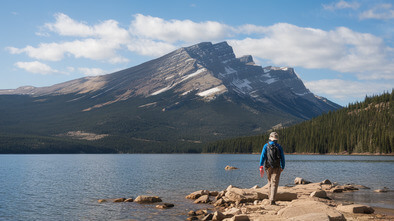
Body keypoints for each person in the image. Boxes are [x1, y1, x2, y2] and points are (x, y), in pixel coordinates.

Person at [259, 132, 285, 205]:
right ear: (276, 139)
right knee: (275, 183)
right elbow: (282, 158)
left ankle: (269, 197)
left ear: (270, 138)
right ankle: (272, 200)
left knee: (269, 182)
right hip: (277, 167)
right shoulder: (279, 146)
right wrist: (282, 167)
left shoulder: (266, 146)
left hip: (268, 167)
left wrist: (261, 165)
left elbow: (263, 156)